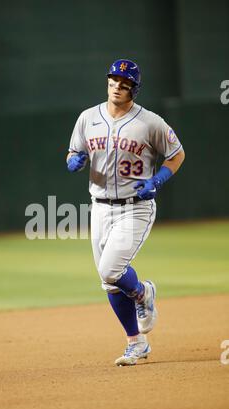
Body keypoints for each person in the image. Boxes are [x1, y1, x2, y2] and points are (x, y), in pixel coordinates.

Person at [66, 59, 185, 366]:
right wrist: (73, 160)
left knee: (110, 270)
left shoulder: (150, 122)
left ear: (134, 88)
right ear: (107, 82)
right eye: (114, 80)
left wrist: (157, 180)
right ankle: (137, 343)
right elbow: (73, 150)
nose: (118, 86)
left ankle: (143, 292)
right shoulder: (88, 117)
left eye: (125, 82)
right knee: (108, 282)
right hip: (100, 207)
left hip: (136, 208)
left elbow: (176, 155)